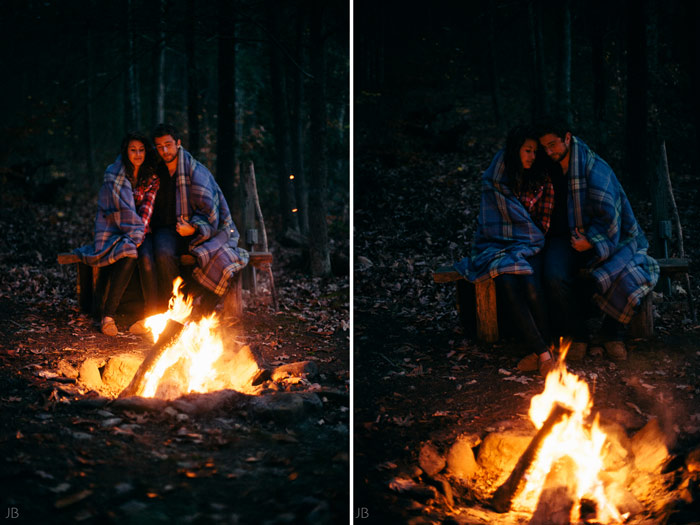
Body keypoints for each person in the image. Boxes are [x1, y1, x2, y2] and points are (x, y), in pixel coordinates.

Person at [536, 116, 659, 360]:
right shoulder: (547, 164)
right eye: (545, 147)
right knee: (553, 276)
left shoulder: (594, 169)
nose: (548, 151)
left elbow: (611, 219)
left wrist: (591, 240)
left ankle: (612, 333)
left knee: (624, 271)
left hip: (602, 236)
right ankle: (578, 334)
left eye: (553, 144)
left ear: (567, 139)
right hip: (562, 237)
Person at [454, 125, 557, 376]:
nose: (532, 156)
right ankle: (545, 354)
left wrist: (526, 240)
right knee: (508, 281)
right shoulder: (497, 176)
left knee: (531, 285)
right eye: (527, 150)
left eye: (535, 151)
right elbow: (494, 215)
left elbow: (542, 225)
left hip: (532, 244)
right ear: (515, 150)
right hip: (496, 244)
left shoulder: (542, 178)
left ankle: (546, 348)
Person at [150, 123, 248, 313]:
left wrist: (194, 227)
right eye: (160, 146)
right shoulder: (155, 169)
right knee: (162, 253)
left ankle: (198, 307)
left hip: (194, 229)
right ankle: (173, 304)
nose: (164, 150)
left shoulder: (195, 171)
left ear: (178, 143)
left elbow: (210, 211)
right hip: (166, 229)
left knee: (217, 257)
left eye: (168, 144)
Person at [75, 132, 161, 336]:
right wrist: (133, 234)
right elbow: (115, 208)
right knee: (129, 251)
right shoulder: (113, 173)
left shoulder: (152, 177)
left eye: (141, 150)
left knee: (140, 254)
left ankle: (143, 316)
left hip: (139, 229)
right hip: (113, 227)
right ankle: (108, 317)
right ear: (126, 151)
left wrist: (137, 234)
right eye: (133, 150)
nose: (137, 154)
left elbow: (147, 209)